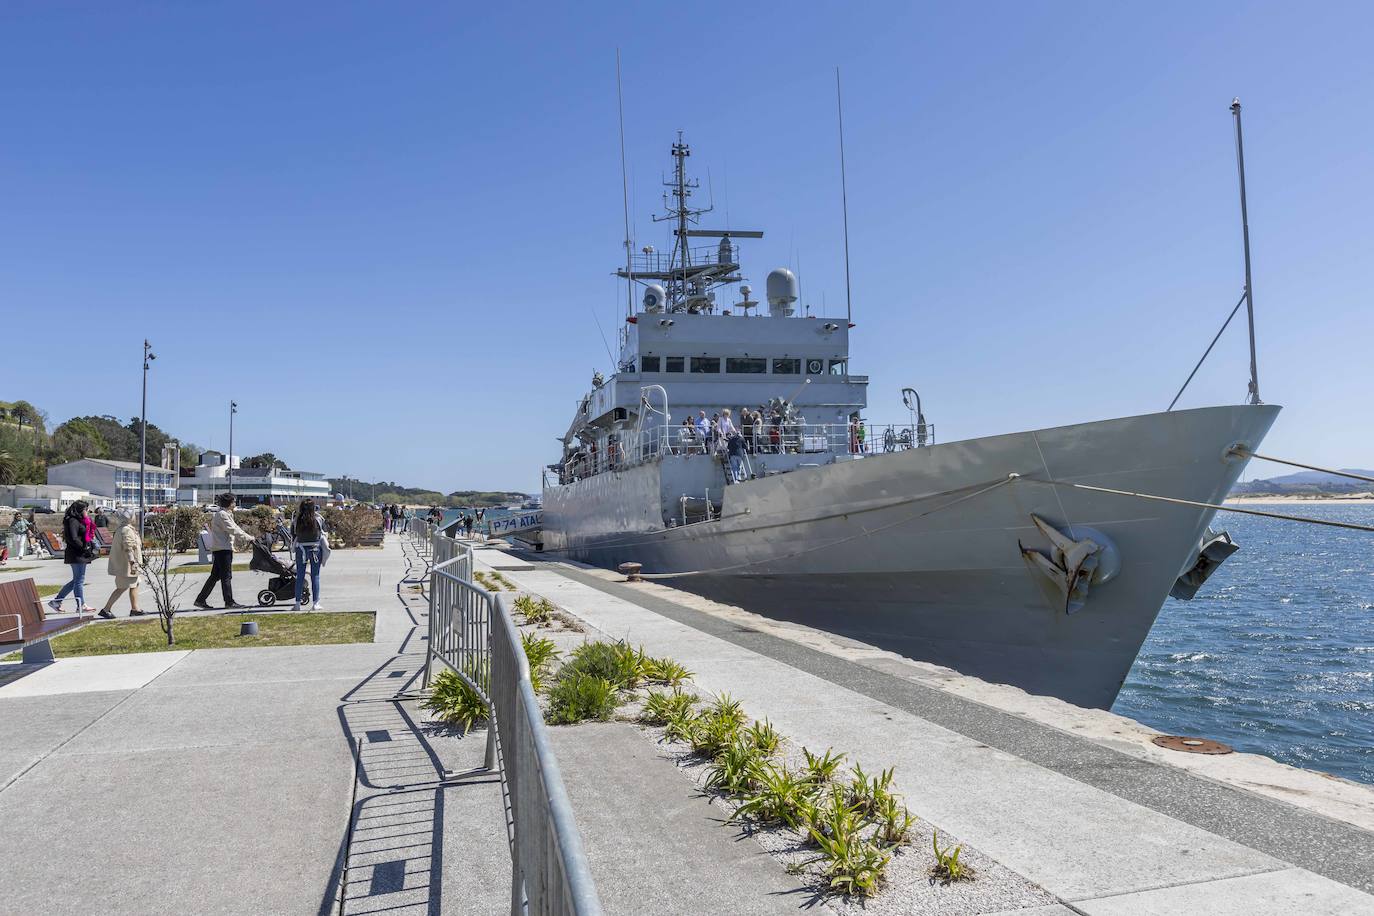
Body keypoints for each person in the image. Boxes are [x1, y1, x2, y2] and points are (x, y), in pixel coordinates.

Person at [194, 494, 256, 610]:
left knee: (215, 576)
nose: (235, 504)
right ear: (229, 503)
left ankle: (200, 600)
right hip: (223, 549)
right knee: (226, 576)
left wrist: (246, 537)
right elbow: (232, 529)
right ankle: (229, 602)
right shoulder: (222, 515)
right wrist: (249, 538)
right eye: (233, 502)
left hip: (221, 548)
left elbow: (235, 528)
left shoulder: (226, 514)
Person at [48, 501, 96, 615]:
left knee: (76, 580)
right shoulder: (72, 521)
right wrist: (84, 547)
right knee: (79, 580)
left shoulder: (80, 520)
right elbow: (73, 538)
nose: (87, 511)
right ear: (80, 510)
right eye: (85, 509)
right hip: (76, 554)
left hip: (80, 553)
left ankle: (56, 601)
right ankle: (81, 605)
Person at [97, 509, 145, 618]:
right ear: (129, 518)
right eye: (134, 515)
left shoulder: (124, 528)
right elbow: (128, 548)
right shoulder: (126, 530)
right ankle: (106, 609)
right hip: (126, 566)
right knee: (122, 588)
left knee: (135, 584)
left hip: (127, 565)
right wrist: (132, 562)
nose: (135, 517)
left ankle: (135, 608)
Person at [291, 499, 326, 611]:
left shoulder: (297, 520)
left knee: (300, 576)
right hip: (315, 549)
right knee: (315, 576)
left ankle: (297, 603)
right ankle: (315, 603)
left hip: (301, 549)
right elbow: (324, 532)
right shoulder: (318, 519)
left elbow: (293, 534)